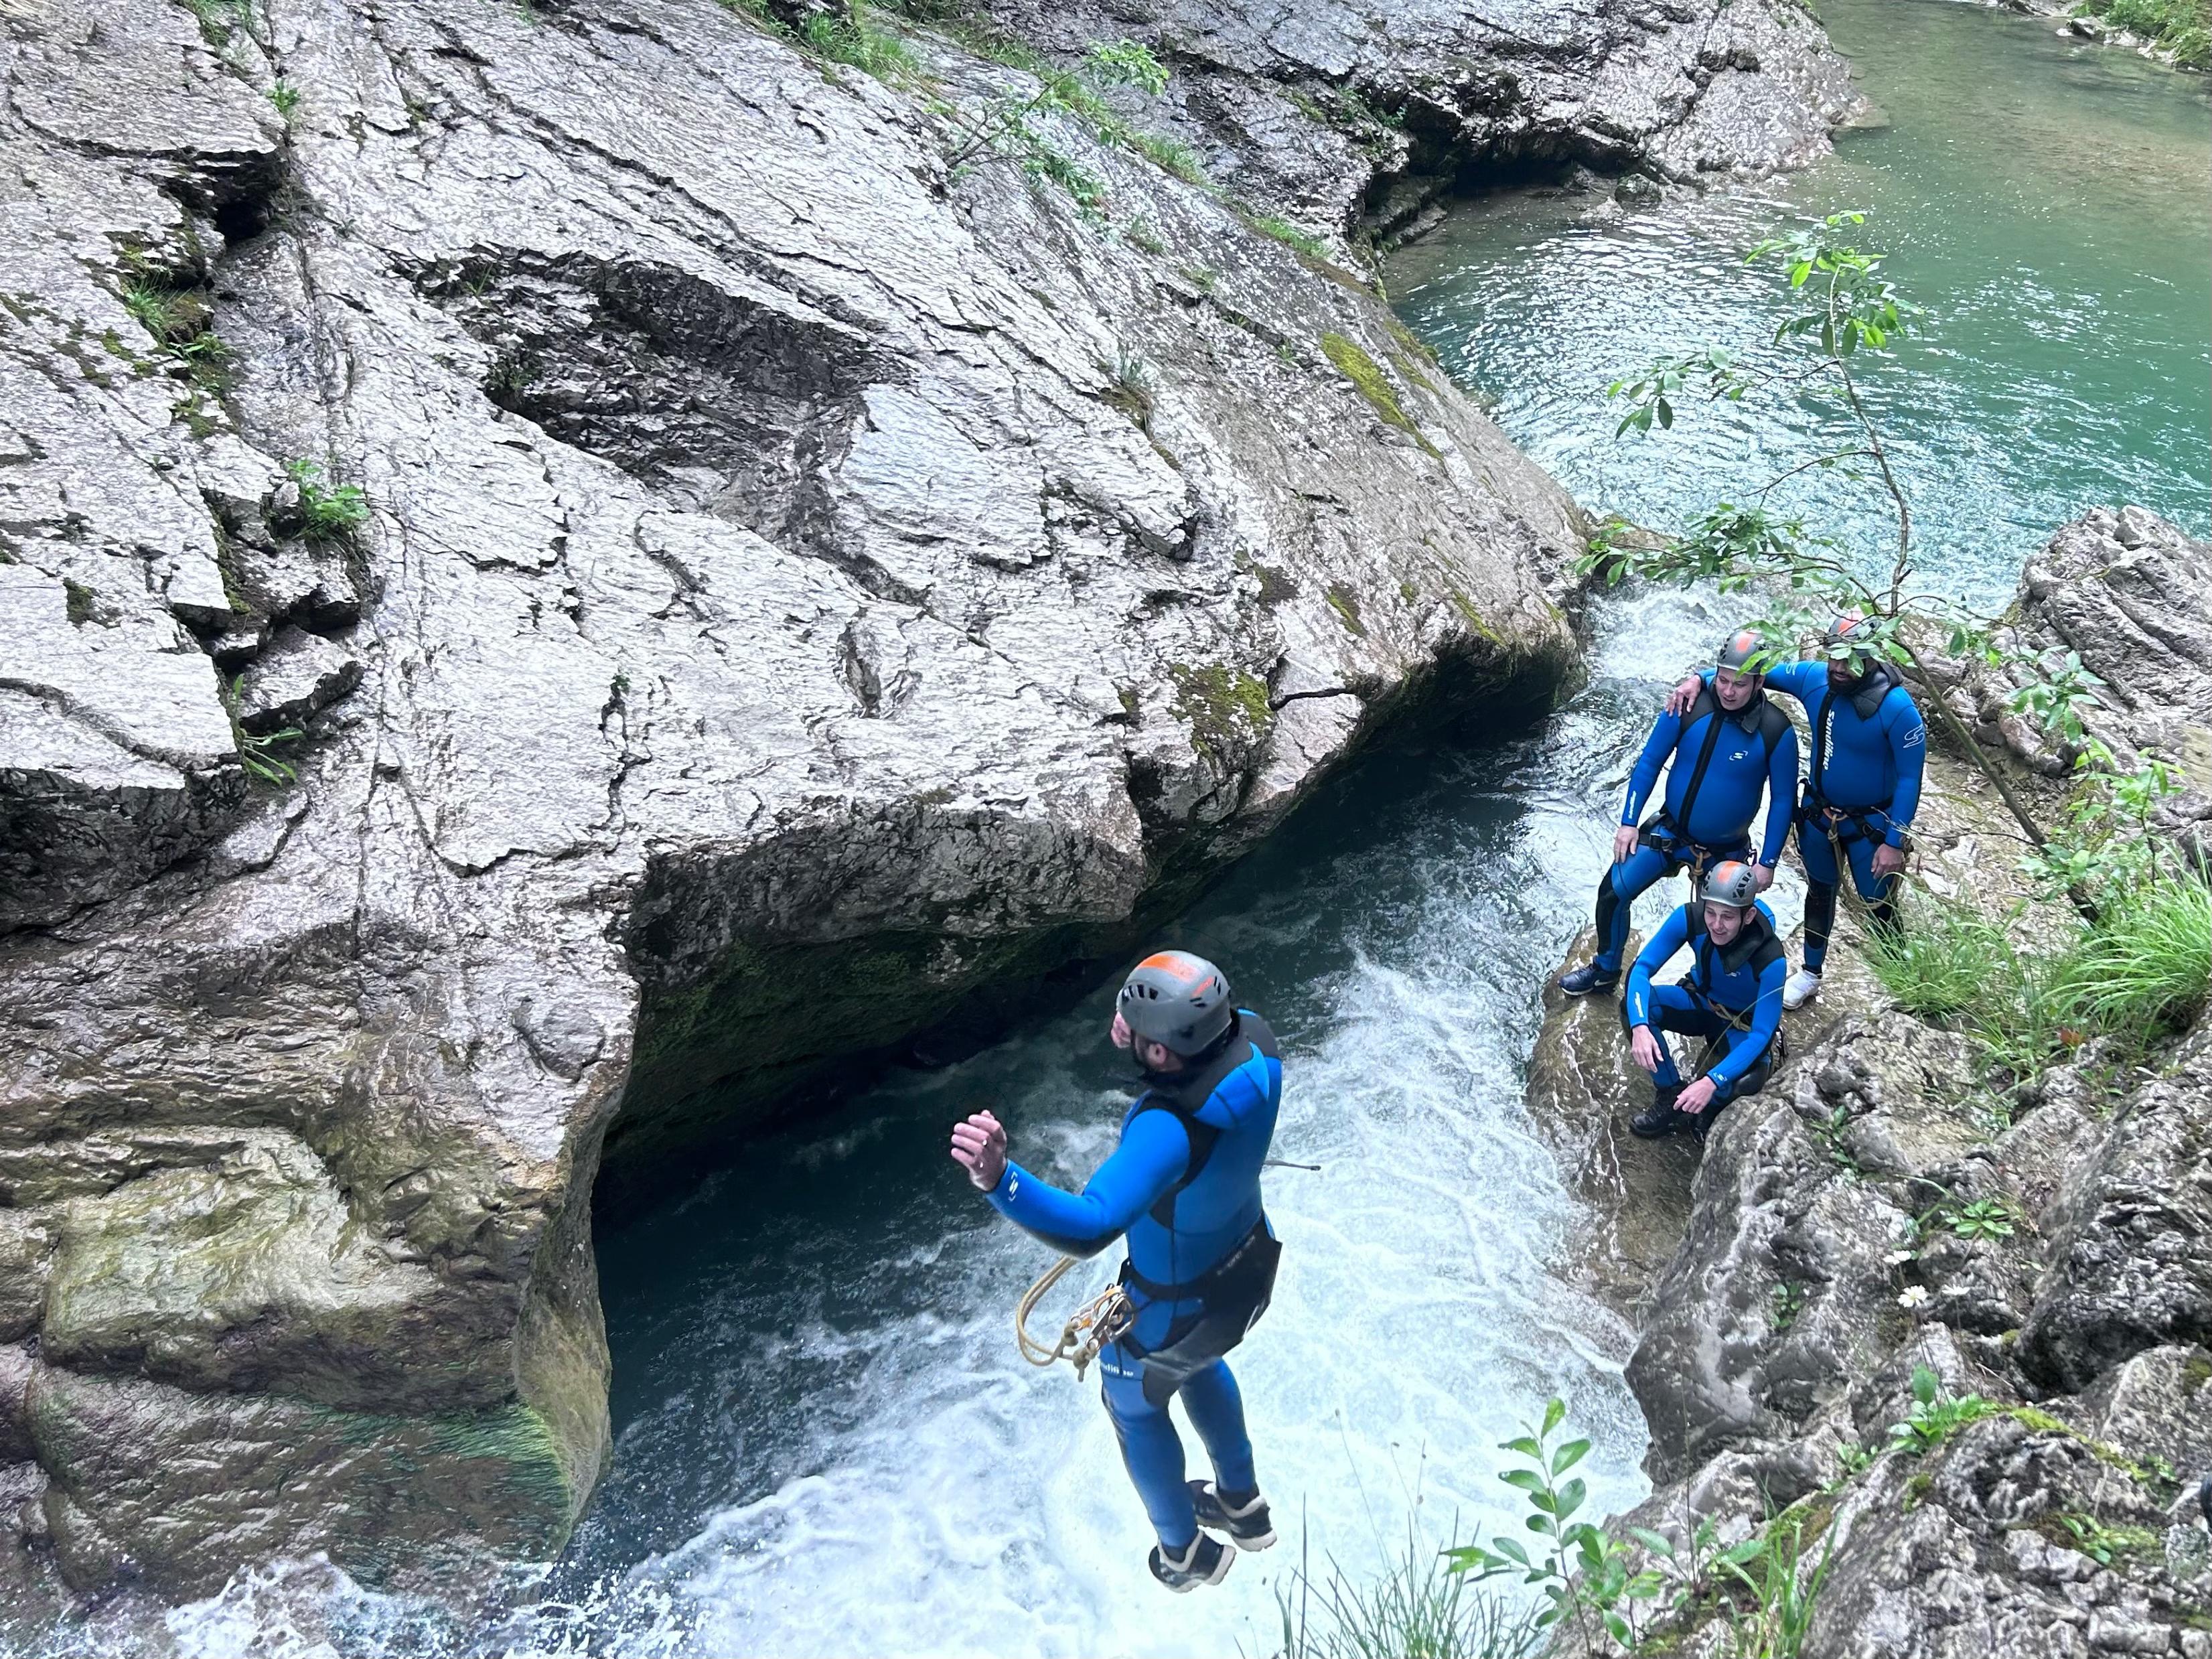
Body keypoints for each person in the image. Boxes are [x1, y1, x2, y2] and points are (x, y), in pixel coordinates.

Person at [948, 950, 1283, 1593]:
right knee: (1198, 1364)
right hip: (1245, 1272)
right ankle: (1242, 1502)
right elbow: (1200, 1038)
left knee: (1133, 1404)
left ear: (1162, 1054)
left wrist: (999, 1178)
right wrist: (1151, 1033)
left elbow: (1090, 1225)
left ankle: (1184, 1554)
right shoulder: (1258, 1042)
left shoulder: (1169, 1130)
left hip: (1172, 1307)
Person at [1665, 615, 1925, 1010]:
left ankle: (1907, 984)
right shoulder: (1814, 679)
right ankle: (1811, 974)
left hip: (1873, 824)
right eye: (1833, 658)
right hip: (1820, 814)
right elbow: (1749, 669)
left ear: (1871, 657)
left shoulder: (1898, 708)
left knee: (1880, 905)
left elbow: (1910, 779)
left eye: (1848, 660)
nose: (1838, 668)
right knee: (1820, 891)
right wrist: (1698, 679)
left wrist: (1893, 842)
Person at [1559, 628, 1798, 997]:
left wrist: (1767, 862)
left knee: (1720, 927)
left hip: (1725, 849)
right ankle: (1605, 970)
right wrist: (1628, 823)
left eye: (1740, 683)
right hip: (1670, 832)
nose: (1728, 691)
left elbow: (1783, 800)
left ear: (1759, 682)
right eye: (1722, 679)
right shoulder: (1687, 705)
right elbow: (1650, 762)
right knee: (1612, 893)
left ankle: (1707, 991)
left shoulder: (1775, 731)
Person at [1622, 860, 1788, 1141]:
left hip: (1740, 1026)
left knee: (1747, 1082)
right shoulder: (1690, 918)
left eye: (1728, 917)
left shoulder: (1770, 959)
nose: (1717, 925)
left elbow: (1762, 1033)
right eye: (1711, 912)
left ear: (1748, 917)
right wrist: (1639, 1026)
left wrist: (1712, 1081)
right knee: (1634, 1008)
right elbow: (1641, 969)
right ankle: (1670, 1093)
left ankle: (1708, 1109)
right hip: (1699, 1003)